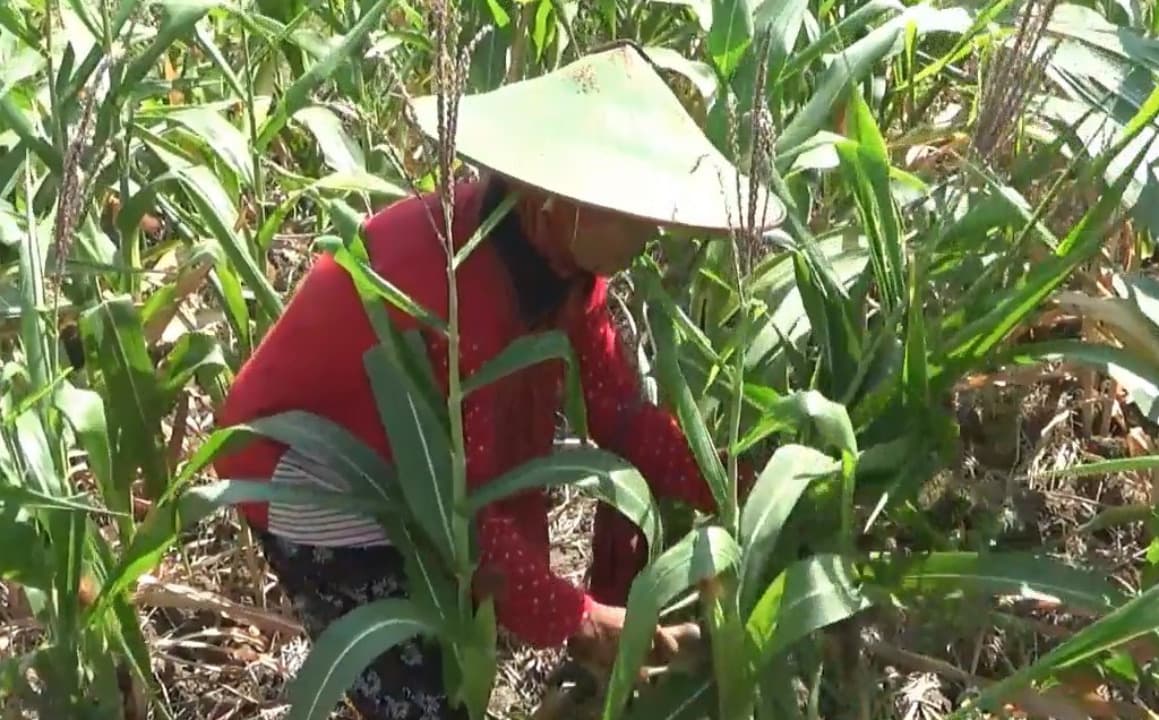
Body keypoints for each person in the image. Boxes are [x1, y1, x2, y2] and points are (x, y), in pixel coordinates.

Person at [212, 43, 783, 720]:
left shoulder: (561, 264)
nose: (653, 228)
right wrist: (580, 620)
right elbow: (467, 513)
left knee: (452, 633)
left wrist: (744, 493)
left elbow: (616, 409)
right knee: (415, 692)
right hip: (316, 471)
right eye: (633, 214)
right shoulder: (453, 293)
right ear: (558, 201)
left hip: (422, 468)